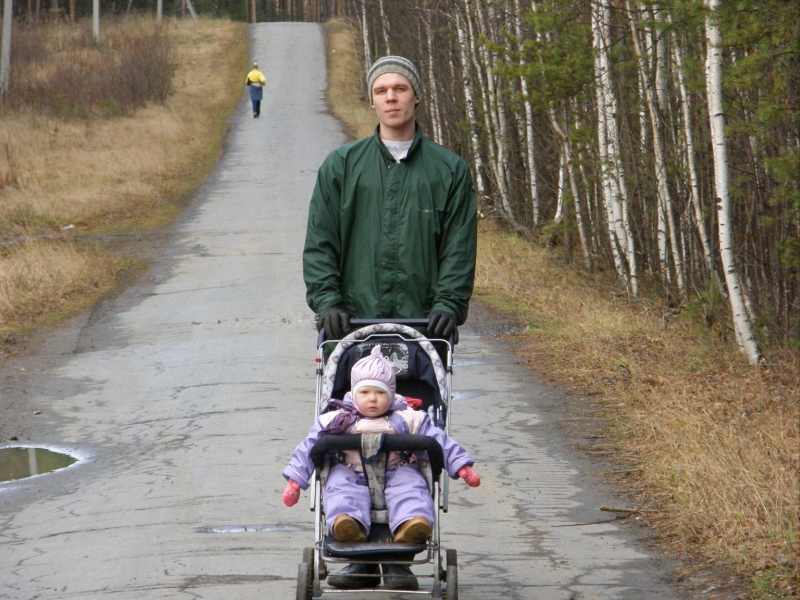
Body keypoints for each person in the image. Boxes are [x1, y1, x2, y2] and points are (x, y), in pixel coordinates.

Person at [303, 55, 477, 343]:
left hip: (425, 330)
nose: (391, 97)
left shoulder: (449, 170)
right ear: (373, 101)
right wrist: (328, 302)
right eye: (381, 90)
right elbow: (320, 242)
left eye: (400, 88)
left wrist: (448, 304)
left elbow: (458, 248)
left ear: (416, 96)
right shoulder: (342, 165)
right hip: (351, 329)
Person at [282, 345, 480, 590]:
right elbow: (309, 447)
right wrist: (295, 481)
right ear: (353, 393)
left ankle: (412, 523)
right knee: (339, 484)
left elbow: (439, 441)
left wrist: (462, 467)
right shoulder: (337, 420)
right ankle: (347, 524)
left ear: (392, 394)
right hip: (352, 470)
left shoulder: (409, 418)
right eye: (365, 392)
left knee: (412, 485)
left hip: (396, 468)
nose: (372, 399)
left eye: (380, 392)